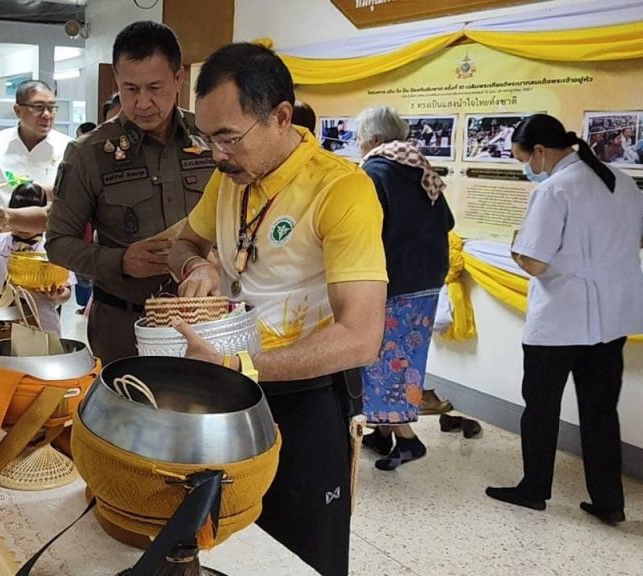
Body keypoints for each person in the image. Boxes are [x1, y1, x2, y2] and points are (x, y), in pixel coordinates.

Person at [168, 43, 387, 576]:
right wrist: (197, 267)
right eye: (207, 137)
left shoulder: (341, 190)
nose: (217, 154)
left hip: (303, 399)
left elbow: (361, 337)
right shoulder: (230, 177)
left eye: (228, 137)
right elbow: (184, 242)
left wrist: (240, 366)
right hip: (227, 390)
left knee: (303, 555)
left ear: (281, 117)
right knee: (225, 543)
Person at [486, 114, 643, 526]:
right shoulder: (621, 181)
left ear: (539, 151)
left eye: (524, 159)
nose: (527, 168)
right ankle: (609, 501)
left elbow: (536, 263)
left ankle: (533, 489)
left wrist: (516, 251)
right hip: (611, 318)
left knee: (541, 407)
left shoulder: (554, 189)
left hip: (561, 319)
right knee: (600, 410)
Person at [45, 21, 216, 364]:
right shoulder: (89, 153)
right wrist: (121, 261)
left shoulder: (212, 139)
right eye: (130, 89)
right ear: (117, 82)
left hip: (208, 322)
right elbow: (58, 243)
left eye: (155, 88)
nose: (142, 102)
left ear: (179, 79)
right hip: (124, 325)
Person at [352, 105, 454, 470]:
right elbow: (447, 221)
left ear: (376, 139)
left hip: (396, 282)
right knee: (404, 359)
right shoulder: (419, 168)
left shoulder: (375, 172)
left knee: (383, 362)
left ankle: (408, 440)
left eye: (360, 138)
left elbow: (363, 230)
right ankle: (382, 433)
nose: (358, 144)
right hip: (426, 281)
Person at [0, 182, 74, 334]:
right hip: (3, 325)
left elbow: (67, 291)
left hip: (43, 324)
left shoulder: (55, 247)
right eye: (20, 219)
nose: (23, 226)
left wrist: (57, 294)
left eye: (29, 220)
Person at [0, 80, 72, 222]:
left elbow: (74, 199)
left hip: (50, 232)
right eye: (38, 107)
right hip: (3, 232)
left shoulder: (68, 147)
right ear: (17, 110)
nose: (47, 114)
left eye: (51, 107)